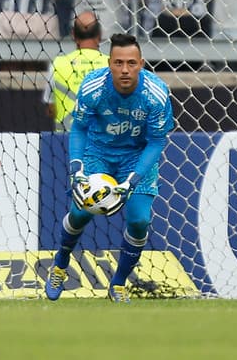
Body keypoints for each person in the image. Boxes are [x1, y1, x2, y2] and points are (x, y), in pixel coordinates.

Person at [45, 33, 174, 303]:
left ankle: (118, 283)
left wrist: (133, 179)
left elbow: (156, 141)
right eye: (118, 63)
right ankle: (60, 263)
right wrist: (76, 169)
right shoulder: (93, 86)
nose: (124, 70)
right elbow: (79, 128)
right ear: (109, 63)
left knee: (139, 220)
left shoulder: (156, 93)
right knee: (80, 213)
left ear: (141, 63)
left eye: (130, 63)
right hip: (99, 153)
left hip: (136, 157)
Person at [43, 11, 109, 132]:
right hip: (102, 144)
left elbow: (50, 109)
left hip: (65, 143)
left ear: (73, 34)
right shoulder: (111, 65)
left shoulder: (58, 64)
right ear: (99, 35)